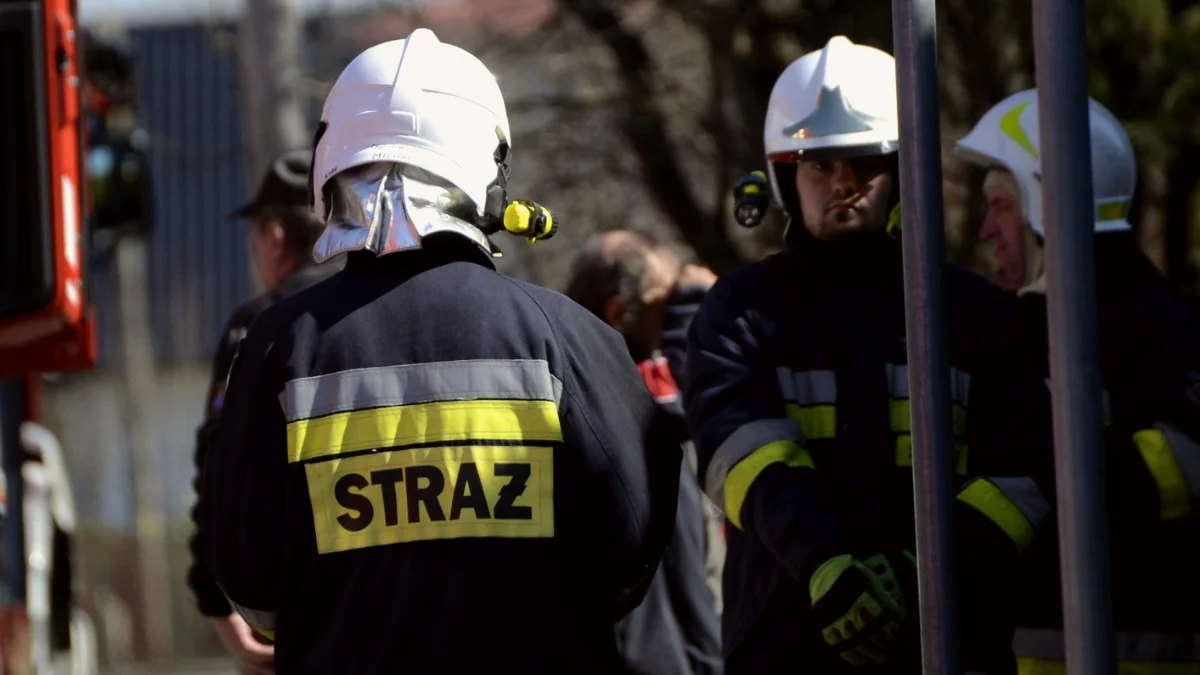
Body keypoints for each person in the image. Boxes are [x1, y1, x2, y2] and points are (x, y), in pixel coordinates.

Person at [201, 28, 680, 674]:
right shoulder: (570, 336)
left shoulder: (277, 344)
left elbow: (252, 587)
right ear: (488, 167)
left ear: (330, 166)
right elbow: (629, 560)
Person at [684, 35, 1056, 673]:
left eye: (864, 164)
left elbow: (1022, 480)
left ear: (905, 171)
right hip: (787, 647)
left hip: (947, 647)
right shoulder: (741, 310)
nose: (844, 185)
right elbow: (737, 453)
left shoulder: (972, 314)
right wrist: (823, 564)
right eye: (819, 165)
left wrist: (921, 576)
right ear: (783, 175)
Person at [956, 89, 1200, 674]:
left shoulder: (1155, 330)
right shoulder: (1015, 332)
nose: (987, 229)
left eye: (1001, 205)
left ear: (1047, 203)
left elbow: (1187, 461)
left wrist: (1046, 467)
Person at [187, 149, 341, 675]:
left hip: (291, 615)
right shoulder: (382, 310)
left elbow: (219, 467)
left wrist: (218, 605)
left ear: (274, 236)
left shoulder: (259, 326)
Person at [565, 229, 723, 675]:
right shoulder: (602, 395)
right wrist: (693, 312)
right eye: (665, 304)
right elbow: (692, 406)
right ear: (619, 314)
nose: (673, 316)